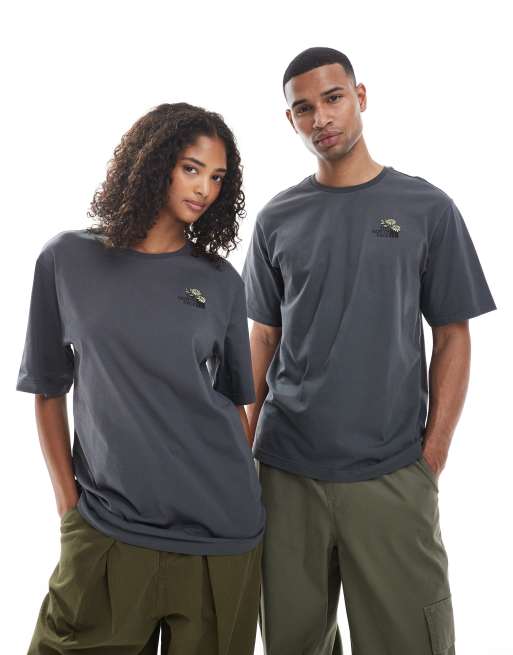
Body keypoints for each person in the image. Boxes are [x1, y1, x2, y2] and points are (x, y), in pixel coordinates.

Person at [242, 47, 497, 655]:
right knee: (291, 643)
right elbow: (263, 337)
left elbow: (453, 334)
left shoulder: (427, 208)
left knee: (410, 641)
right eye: (304, 109)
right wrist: (241, 447)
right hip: (286, 471)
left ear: (360, 96)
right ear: (290, 121)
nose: (321, 118)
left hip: (392, 472)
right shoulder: (276, 218)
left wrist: (432, 455)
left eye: (332, 98)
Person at [16, 102, 265, 655]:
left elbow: (234, 406)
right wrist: (69, 507)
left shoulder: (220, 282)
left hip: (220, 532)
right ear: (154, 163)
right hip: (108, 527)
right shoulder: (66, 260)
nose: (204, 189)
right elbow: (48, 390)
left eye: (217, 177)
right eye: (191, 168)